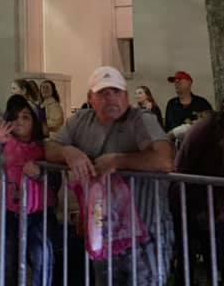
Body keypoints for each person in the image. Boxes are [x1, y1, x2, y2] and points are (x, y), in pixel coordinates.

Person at [44, 66, 173, 286]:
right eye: (103, 93)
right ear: (90, 98)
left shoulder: (141, 119)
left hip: (145, 235)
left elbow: (164, 160)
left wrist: (119, 161)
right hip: (102, 233)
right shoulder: (81, 120)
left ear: (126, 95)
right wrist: (68, 152)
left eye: (117, 91)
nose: (111, 97)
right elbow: (49, 148)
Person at [173, 88, 224, 283]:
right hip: (187, 201)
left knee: (216, 259)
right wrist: (190, 205)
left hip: (214, 205)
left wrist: (219, 204)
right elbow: (184, 162)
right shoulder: (207, 126)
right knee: (188, 257)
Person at [0, 95, 52, 286]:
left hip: (39, 213)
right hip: (10, 211)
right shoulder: (6, 143)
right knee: (8, 260)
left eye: (25, 117)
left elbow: (55, 178)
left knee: (41, 259)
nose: (19, 122)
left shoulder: (44, 147)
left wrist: (40, 173)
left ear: (35, 121)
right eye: (14, 117)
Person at [163, 71, 212, 138]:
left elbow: (211, 124)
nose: (176, 83)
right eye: (175, 81)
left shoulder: (202, 103)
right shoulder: (171, 104)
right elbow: (167, 128)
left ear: (189, 83)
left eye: (179, 80)